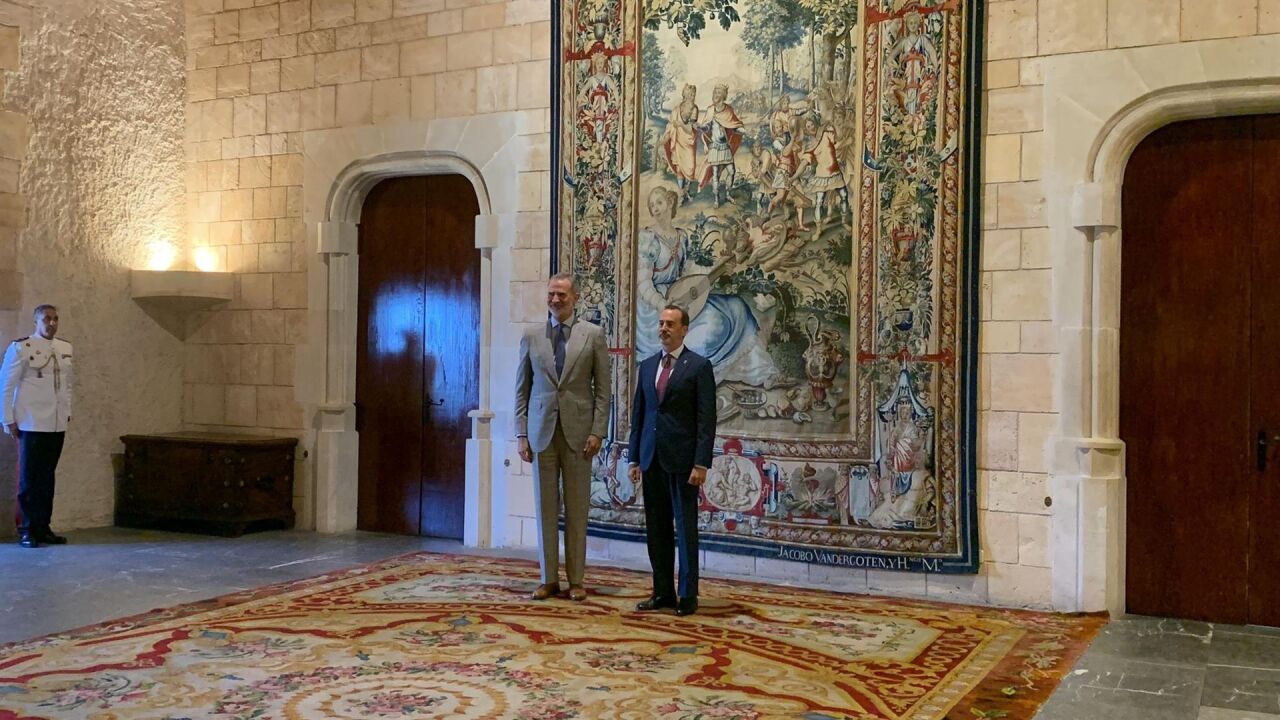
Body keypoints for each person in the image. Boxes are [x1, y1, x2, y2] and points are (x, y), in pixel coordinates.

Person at [515, 273, 611, 601]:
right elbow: (522, 390)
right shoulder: (531, 335)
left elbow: (604, 392)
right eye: (551, 294)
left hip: (580, 435)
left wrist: (598, 431)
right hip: (540, 434)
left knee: (577, 509)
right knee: (544, 509)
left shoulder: (593, 335)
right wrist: (521, 434)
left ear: (576, 298)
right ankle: (548, 579)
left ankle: (577, 580)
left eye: (562, 295)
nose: (556, 300)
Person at [635, 185, 781, 388]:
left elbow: (689, 275)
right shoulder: (647, 238)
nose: (656, 209)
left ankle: (760, 371)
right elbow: (642, 283)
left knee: (735, 307)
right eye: (652, 206)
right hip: (654, 309)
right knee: (714, 326)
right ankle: (686, 375)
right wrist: (664, 306)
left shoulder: (681, 236)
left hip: (681, 295)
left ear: (670, 203)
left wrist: (719, 269)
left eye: (659, 202)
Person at [628, 305, 716, 617]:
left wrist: (701, 463)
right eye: (661, 323)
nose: (664, 329)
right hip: (651, 459)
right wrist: (634, 458)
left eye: (670, 324)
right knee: (657, 529)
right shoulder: (647, 365)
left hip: (683, 463)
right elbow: (639, 415)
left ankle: (688, 595)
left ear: (684, 329)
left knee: (686, 529)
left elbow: (706, 420)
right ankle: (662, 592)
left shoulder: (699, 366)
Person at [1, 305, 73, 548]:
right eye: (46, 319)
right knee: (29, 479)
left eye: (55, 319)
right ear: (36, 322)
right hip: (31, 422)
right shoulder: (21, 348)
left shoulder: (64, 348)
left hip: (56, 423)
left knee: (47, 478)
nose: (52, 324)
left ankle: (43, 527)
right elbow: (6, 385)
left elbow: (67, 385)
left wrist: (67, 412)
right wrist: (7, 419)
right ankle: (26, 529)